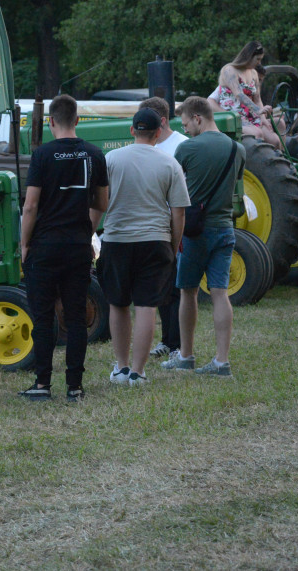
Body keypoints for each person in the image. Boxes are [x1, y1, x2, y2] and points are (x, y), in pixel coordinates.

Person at [18, 94, 108, 402]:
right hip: (77, 247)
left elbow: (30, 206)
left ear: (51, 121)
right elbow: (102, 204)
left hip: (44, 247)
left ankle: (42, 384)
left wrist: (24, 244)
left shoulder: (42, 155)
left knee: (43, 317)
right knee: (75, 316)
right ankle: (75, 387)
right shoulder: (94, 154)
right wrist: (86, 230)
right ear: (78, 120)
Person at [98, 108, 189, 387]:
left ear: (131, 131)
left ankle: (121, 368)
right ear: (159, 133)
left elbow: (99, 202)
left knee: (118, 304)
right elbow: (178, 213)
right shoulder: (169, 164)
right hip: (155, 241)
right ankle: (138, 372)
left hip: (116, 240)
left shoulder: (110, 159)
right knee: (147, 306)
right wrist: (173, 246)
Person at [162, 97, 245, 377]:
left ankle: (186, 356)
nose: (185, 131)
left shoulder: (187, 149)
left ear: (197, 118)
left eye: (186, 124)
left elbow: (173, 188)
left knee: (188, 291)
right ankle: (222, 362)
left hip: (195, 231)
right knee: (220, 293)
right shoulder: (238, 149)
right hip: (225, 228)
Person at [139, 96, 187, 360]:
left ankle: (178, 343)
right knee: (162, 287)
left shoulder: (182, 145)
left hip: (174, 222)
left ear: (163, 122)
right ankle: (168, 341)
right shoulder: (147, 147)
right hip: (153, 225)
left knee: (176, 286)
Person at [217, 41, 282, 148]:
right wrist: (258, 110)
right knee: (257, 134)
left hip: (251, 115)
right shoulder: (229, 70)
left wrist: (263, 118)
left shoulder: (254, 73)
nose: (259, 63)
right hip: (234, 116)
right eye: (258, 59)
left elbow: (257, 99)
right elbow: (239, 95)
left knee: (275, 140)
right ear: (248, 56)